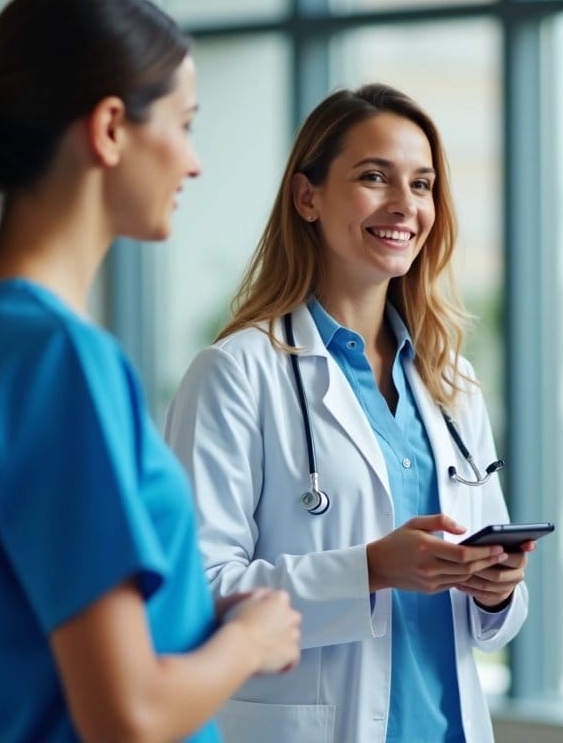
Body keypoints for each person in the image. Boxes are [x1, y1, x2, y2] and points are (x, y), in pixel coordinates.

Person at [0, 0, 303, 741]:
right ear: (111, 128)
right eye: (184, 124)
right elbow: (128, 715)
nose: (194, 162)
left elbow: (29, 624)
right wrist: (251, 641)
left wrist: (193, 610)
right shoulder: (60, 360)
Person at [165, 82, 530, 743]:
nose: (404, 206)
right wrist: (370, 569)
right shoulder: (236, 373)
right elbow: (196, 589)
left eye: (422, 185)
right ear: (308, 197)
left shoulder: (452, 383)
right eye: (374, 177)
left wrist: (497, 586)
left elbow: (499, 611)